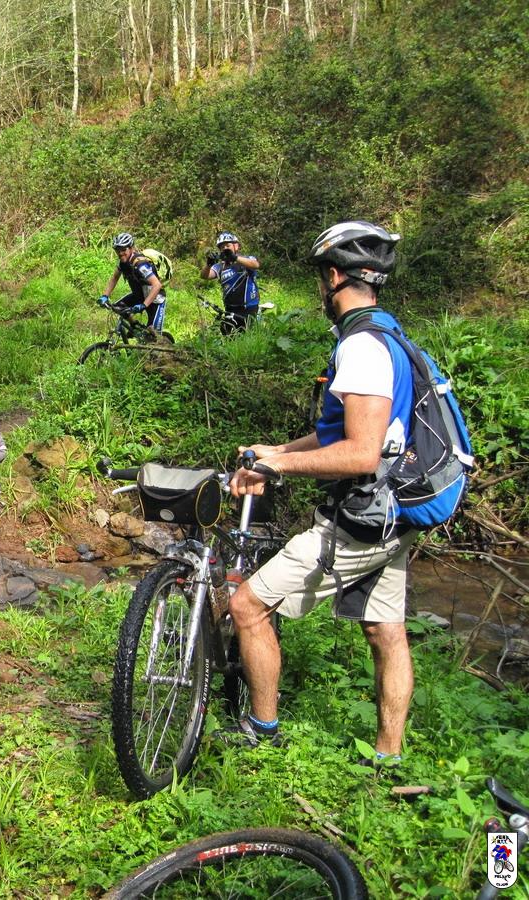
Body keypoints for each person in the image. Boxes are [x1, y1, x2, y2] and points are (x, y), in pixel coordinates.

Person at [225, 221, 417, 767]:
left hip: (362, 516)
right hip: (395, 509)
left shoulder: (361, 347)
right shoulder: (388, 334)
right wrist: (280, 448)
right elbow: (347, 433)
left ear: (333, 277)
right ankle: (388, 759)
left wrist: (278, 466)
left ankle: (262, 732)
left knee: (247, 606)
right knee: (385, 629)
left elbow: (360, 453)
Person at [98, 232, 167, 333]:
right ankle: (135, 326)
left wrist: (144, 305)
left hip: (155, 299)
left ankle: (157, 340)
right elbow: (115, 278)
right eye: (117, 250)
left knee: (153, 333)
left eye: (123, 249)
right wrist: (105, 296)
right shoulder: (123, 263)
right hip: (139, 295)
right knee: (118, 307)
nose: (120, 253)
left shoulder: (140, 264)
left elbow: (157, 285)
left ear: (131, 248)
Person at [200, 231, 261, 334]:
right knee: (227, 337)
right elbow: (204, 276)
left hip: (249, 308)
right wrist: (208, 264)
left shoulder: (246, 259)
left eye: (228, 245)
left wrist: (235, 258)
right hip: (230, 309)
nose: (225, 248)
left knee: (247, 337)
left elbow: (255, 265)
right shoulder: (221, 266)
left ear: (236, 246)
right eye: (222, 247)